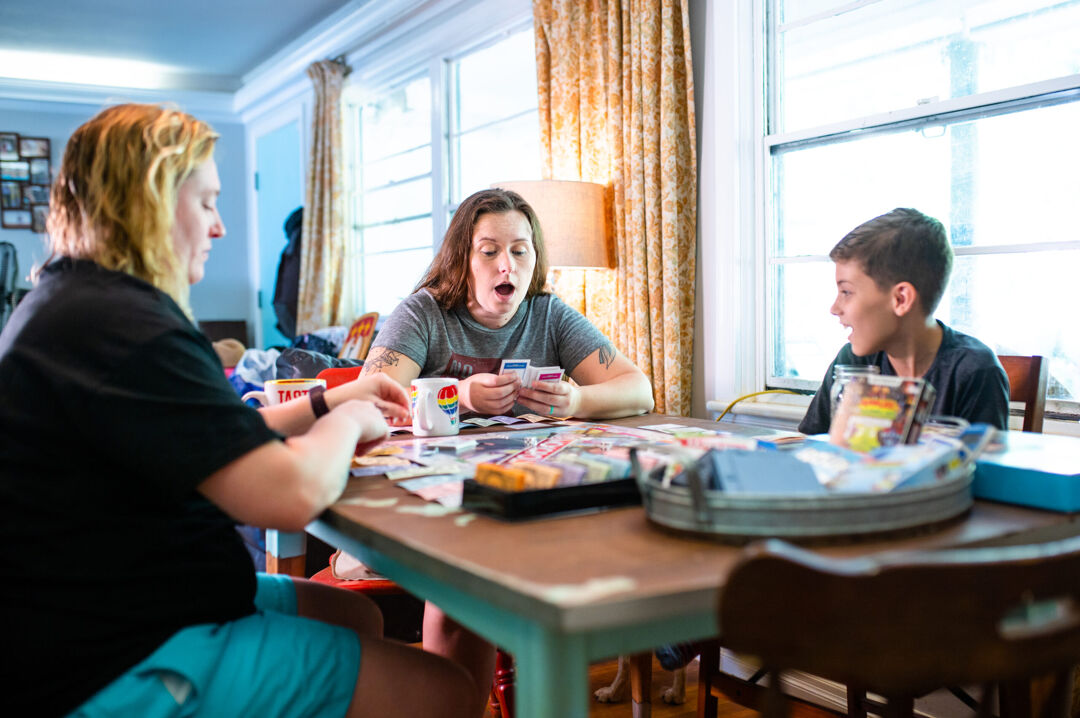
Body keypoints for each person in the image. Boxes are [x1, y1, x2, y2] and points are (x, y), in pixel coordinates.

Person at [0, 104, 474, 718]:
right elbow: (291, 496)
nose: (219, 227)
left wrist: (330, 398)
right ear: (151, 198)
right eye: (206, 203)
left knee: (359, 612)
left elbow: (213, 435)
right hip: (117, 653)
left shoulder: (76, 302)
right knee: (451, 695)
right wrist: (348, 423)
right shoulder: (128, 326)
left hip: (123, 601)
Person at [361, 187, 654, 713]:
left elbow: (639, 390)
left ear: (535, 259)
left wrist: (579, 397)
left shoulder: (549, 314)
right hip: (431, 502)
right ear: (462, 257)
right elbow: (370, 399)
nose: (506, 264)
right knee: (462, 588)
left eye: (520, 250)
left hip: (526, 493)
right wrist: (458, 396)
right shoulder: (423, 312)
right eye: (489, 250)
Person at [798, 207, 1009, 435]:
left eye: (847, 292)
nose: (834, 308)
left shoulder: (974, 372)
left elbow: (981, 468)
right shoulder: (851, 363)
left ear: (900, 299)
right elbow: (810, 447)